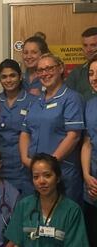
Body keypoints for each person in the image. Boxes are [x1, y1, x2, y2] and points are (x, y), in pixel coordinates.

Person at [19, 53, 84, 204]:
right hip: (33, 173)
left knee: (62, 220)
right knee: (33, 218)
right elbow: (25, 132)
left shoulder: (71, 98)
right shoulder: (35, 101)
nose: (44, 73)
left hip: (61, 173)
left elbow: (73, 136)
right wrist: (24, 158)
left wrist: (49, 165)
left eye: (49, 68)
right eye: (40, 70)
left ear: (60, 68)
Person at [5, 153, 89, 246]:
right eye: (36, 177)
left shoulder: (72, 211)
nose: (41, 181)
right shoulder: (24, 206)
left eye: (47, 175)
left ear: (58, 178)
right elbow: (13, 241)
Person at [0, 59, 36, 196]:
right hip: (1, 165)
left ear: (20, 77)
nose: (8, 80)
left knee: (27, 206)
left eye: (12, 75)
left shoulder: (33, 101)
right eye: (4, 76)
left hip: (24, 165)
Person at [80, 54, 97, 247]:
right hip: (92, 186)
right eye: (91, 73)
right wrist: (86, 175)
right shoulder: (91, 105)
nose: (94, 78)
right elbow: (87, 142)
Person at [66, 27, 97, 101]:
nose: (88, 50)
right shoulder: (77, 72)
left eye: (93, 45)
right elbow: (68, 99)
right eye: (85, 45)